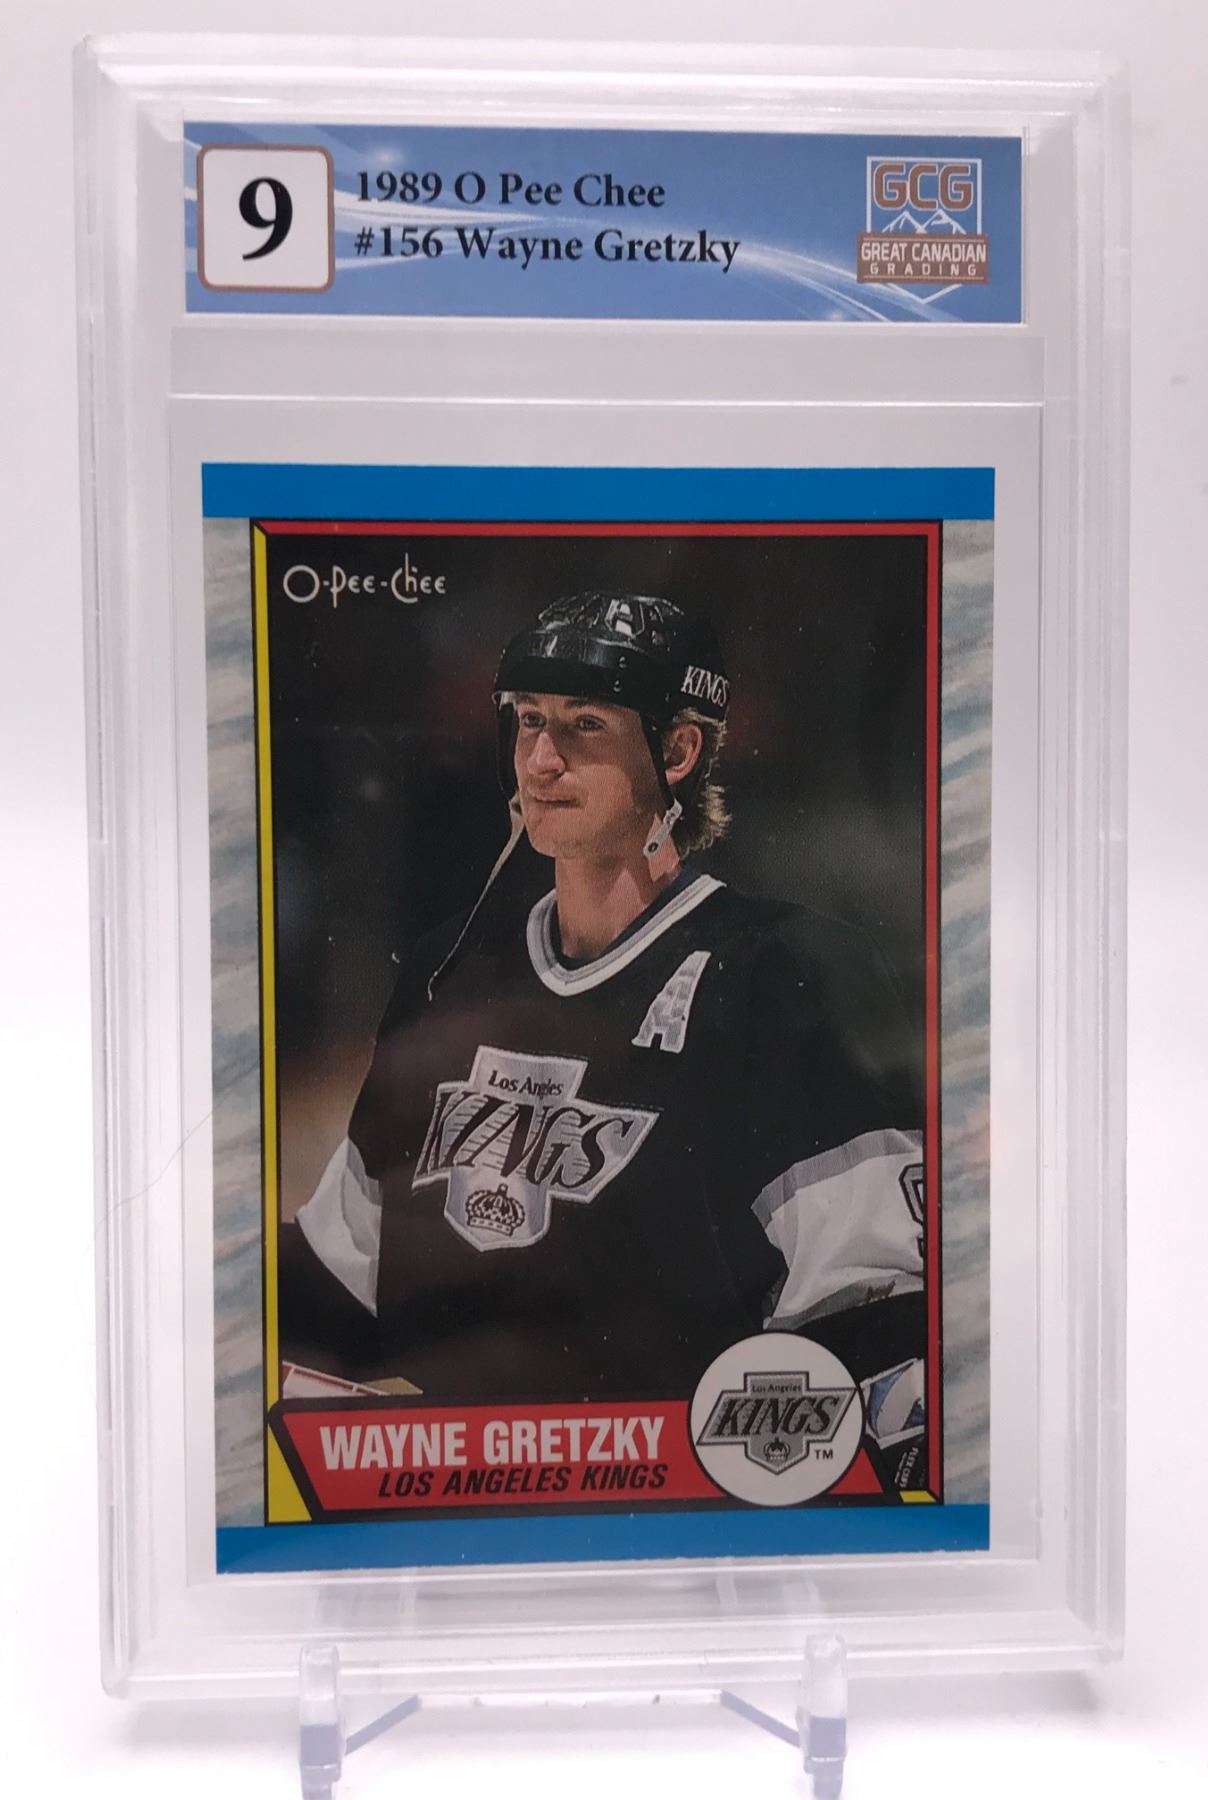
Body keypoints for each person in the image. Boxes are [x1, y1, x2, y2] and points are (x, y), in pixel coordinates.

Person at [279, 592, 928, 1484]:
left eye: (585, 725)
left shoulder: (779, 976)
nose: (542, 759)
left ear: (679, 751)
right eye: (528, 721)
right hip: (463, 1501)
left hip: (685, 1508)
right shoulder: (450, 970)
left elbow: (872, 1326)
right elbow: (339, 1275)